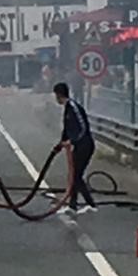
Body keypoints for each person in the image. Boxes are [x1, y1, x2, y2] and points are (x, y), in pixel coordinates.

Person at [52, 82, 98, 214]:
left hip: (85, 145)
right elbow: (67, 130)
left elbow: (83, 127)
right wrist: (59, 145)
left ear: (59, 95)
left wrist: (72, 141)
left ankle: (88, 204)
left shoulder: (73, 107)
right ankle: (74, 205)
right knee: (74, 175)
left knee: (76, 175)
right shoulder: (67, 108)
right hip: (78, 146)